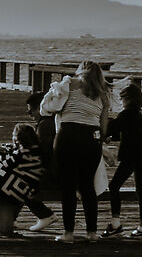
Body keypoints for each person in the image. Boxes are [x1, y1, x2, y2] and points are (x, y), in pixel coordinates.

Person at [37, 61, 116, 242]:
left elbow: (50, 106)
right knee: (88, 186)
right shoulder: (103, 94)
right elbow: (104, 127)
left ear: (80, 71)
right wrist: (103, 142)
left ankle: (68, 233)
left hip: (68, 136)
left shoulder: (71, 83)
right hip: (91, 140)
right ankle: (92, 233)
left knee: (69, 186)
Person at [0, 123, 50, 238]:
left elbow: (3, 163)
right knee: (9, 182)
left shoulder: (21, 153)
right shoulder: (35, 149)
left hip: (29, 187)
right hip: (36, 183)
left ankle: (7, 220)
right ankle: (10, 218)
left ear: (17, 138)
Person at [103, 79, 142, 238]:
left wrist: (105, 131)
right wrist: (114, 138)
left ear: (128, 98)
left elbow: (112, 128)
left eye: (122, 98)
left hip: (131, 157)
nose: (121, 102)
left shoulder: (126, 114)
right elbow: (129, 132)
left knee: (114, 187)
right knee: (141, 191)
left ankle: (116, 224)